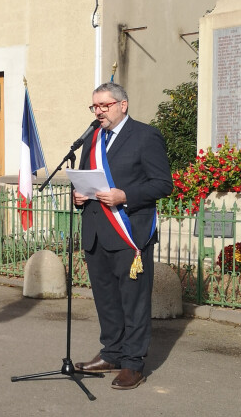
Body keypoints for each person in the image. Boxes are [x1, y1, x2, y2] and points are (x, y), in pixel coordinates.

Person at [72, 82, 173, 390]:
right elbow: (84, 179)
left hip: (129, 233)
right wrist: (78, 196)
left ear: (122, 105)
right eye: (95, 106)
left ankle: (132, 363)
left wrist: (125, 195)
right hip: (96, 232)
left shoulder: (145, 136)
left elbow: (163, 184)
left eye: (104, 106)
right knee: (106, 300)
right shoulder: (91, 138)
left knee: (134, 301)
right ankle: (111, 353)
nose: (98, 112)